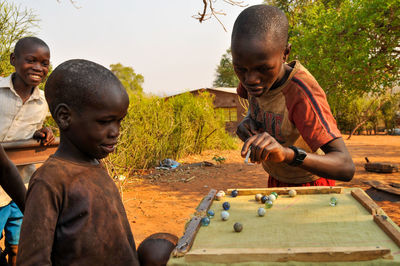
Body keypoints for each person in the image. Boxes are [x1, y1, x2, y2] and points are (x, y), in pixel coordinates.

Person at [17, 59, 139, 265]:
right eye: (104, 122)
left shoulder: (96, 166)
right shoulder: (50, 180)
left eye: (119, 121)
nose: (115, 132)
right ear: (64, 117)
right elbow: (32, 260)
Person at [232, 5, 355, 187]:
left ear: (285, 53)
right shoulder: (254, 77)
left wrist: (287, 154)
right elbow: (255, 107)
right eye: (240, 69)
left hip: (311, 185)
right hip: (278, 179)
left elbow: (345, 166)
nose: (250, 80)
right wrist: (247, 122)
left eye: (263, 69)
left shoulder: (301, 93)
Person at [0, 36, 54, 265]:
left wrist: (44, 131)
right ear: (14, 59)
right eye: (31, 60)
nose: (38, 68)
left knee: (20, 243)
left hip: (24, 185)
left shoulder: (44, 102)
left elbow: (35, 129)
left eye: (44, 63)